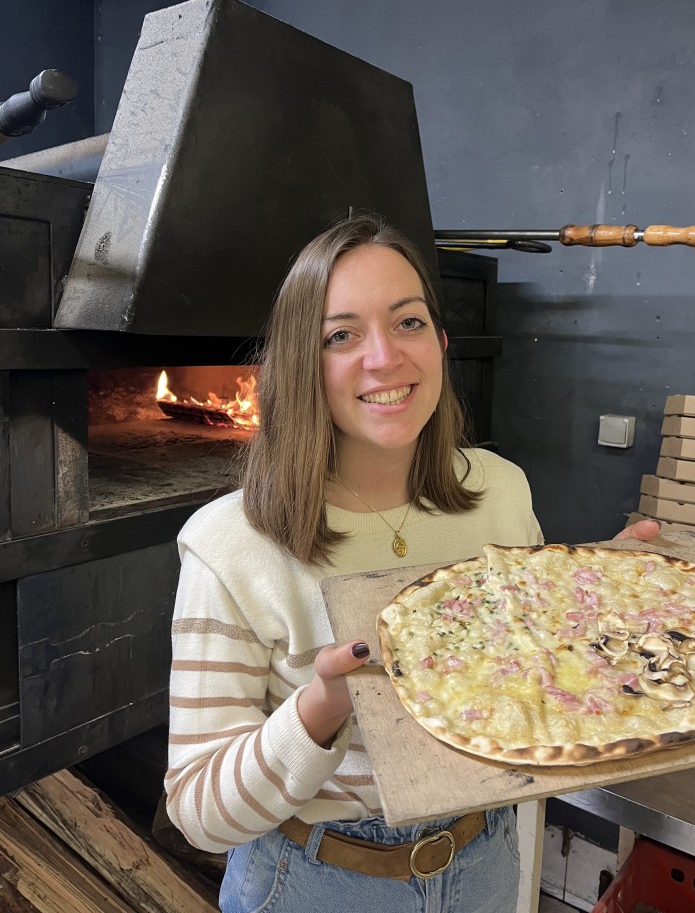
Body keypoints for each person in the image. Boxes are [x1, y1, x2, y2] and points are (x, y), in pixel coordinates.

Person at [165, 212, 659, 913]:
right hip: (314, 881)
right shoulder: (230, 545)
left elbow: (535, 671)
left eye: (408, 322)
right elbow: (199, 813)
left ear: (441, 341)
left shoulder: (499, 491)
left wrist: (608, 598)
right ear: (303, 364)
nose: (384, 358)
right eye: (342, 335)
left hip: (487, 855)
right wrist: (321, 708)